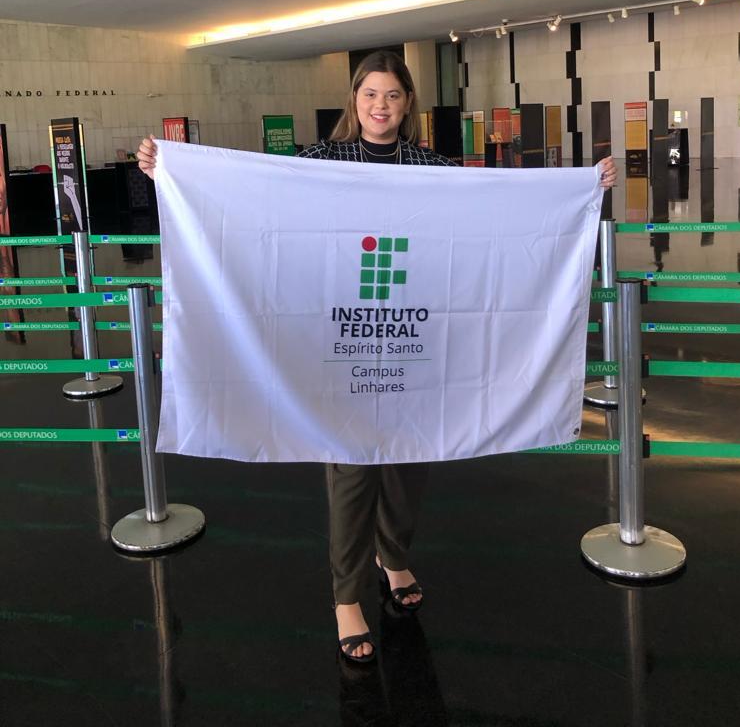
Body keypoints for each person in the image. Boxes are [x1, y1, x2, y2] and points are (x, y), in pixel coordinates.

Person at [137, 49, 618, 666]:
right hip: (343, 339)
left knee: (411, 456)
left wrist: (583, 186)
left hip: (416, 338)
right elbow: (255, 196)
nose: (380, 106)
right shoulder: (320, 162)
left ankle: (394, 559)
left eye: (392, 95)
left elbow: (494, 213)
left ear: (408, 102)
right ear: (355, 100)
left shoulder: (432, 168)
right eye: (370, 94)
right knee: (353, 467)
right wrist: (171, 170)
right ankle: (346, 596)